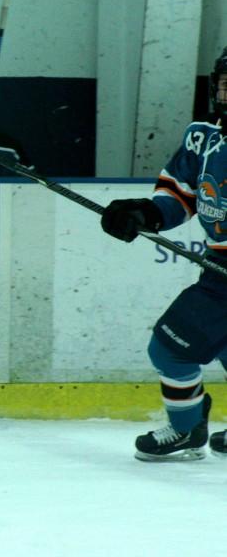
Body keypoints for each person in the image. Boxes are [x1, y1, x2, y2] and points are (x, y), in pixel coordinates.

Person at [100, 46, 227, 462]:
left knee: (168, 349)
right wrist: (147, 213)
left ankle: (187, 428)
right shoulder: (203, 137)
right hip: (220, 271)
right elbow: (180, 195)